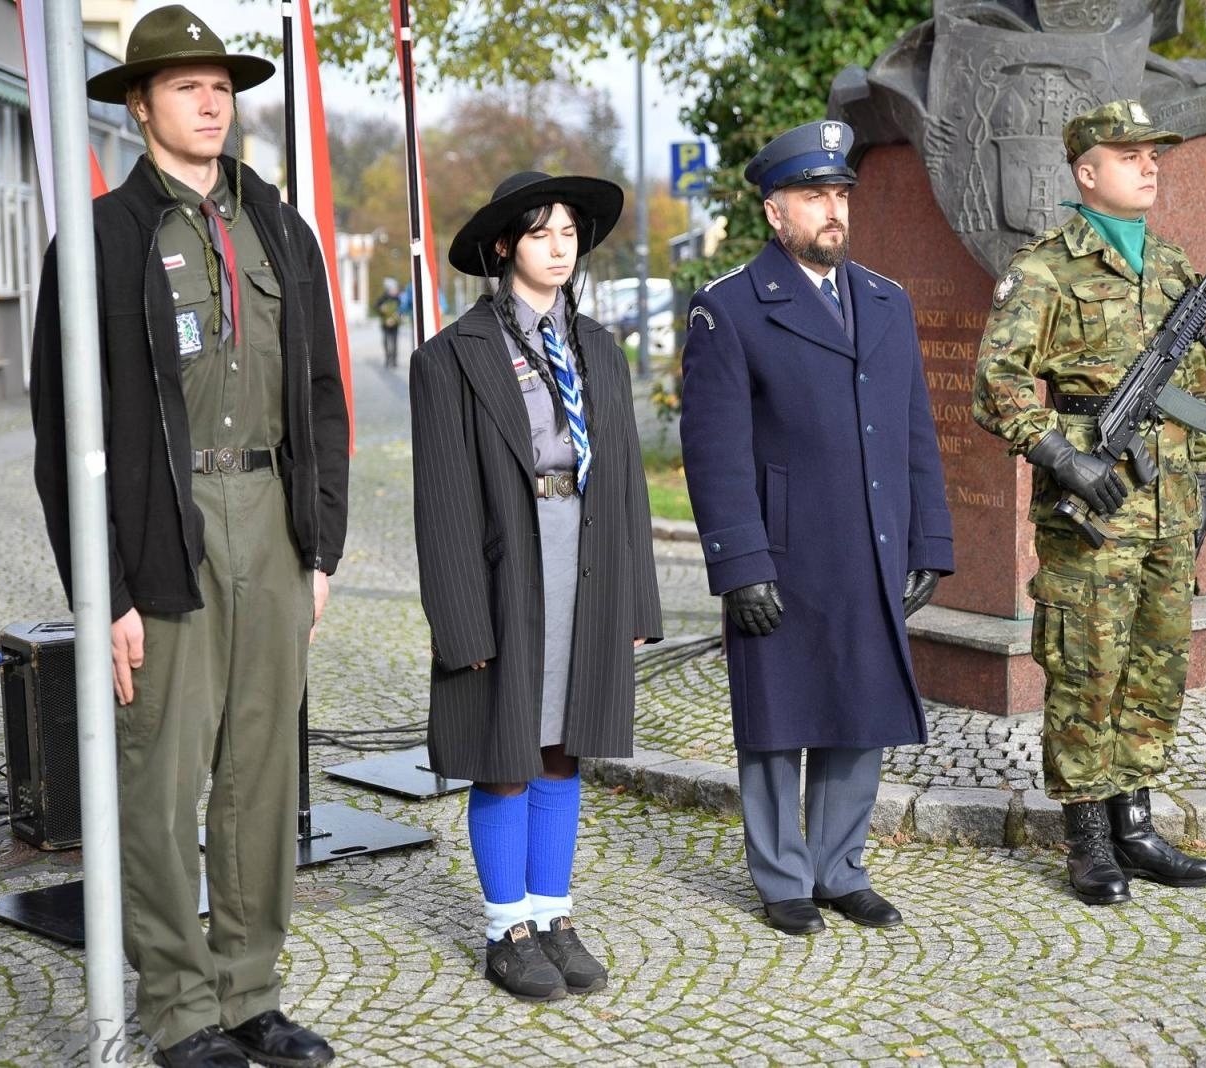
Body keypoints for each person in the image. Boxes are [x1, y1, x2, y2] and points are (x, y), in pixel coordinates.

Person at [29, 7, 347, 1065]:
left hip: (270, 526)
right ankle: (178, 1010)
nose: (210, 102)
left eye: (221, 86)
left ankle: (249, 989)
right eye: (184, 87)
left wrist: (322, 548)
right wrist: (104, 590)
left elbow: (321, 397)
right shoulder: (99, 244)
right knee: (162, 785)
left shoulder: (283, 232)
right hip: (163, 533)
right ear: (139, 105)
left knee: (261, 778)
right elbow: (60, 437)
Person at [678, 120, 954, 937]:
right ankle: (783, 877)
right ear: (774, 212)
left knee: (859, 707)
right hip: (784, 551)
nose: (833, 211)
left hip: (872, 541)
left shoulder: (885, 300)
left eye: (839, 195)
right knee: (779, 718)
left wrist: (928, 542)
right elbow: (714, 452)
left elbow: (914, 431)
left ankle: (841, 867)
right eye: (814, 196)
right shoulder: (728, 309)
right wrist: (739, 563)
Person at [411, 171, 662, 1000]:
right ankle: (504, 926)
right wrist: (462, 627)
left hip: (585, 569)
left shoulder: (601, 350)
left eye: (569, 233)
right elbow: (441, 503)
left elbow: (623, 481)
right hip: (505, 570)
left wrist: (635, 603)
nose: (559, 247)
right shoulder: (451, 358)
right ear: (503, 248)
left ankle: (553, 913)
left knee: (563, 747)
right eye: (540, 233)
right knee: (505, 753)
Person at [972, 99, 1206, 907]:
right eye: (1130, 155)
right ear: (1087, 172)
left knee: (1156, 668)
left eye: (1154, 155)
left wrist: (1202, 494)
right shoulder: (1046, 267)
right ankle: (1086, 839)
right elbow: (995, 382)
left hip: (1169, 505)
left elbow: (1194, 393)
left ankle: (1137, 825)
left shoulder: (1176, 266)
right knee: (1089, 668)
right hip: (1096, 507)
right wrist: (1062, 458)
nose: (1150, 165)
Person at [374, 276, 403, 368]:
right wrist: (380, 308)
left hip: (395, 324)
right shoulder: (383, 298)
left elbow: (401, 311)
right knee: (386, 341)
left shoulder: (398, 299)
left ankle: (394, 360)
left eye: (396, 289)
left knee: (394, 342)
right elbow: (376, 306)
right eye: (393, 288)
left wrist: (395, 319)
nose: (395, 290)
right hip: (385, 324)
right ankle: (387, 359)